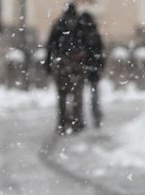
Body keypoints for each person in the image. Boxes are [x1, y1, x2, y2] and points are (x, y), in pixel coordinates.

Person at [45, 3, 87, 134]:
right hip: (77, 65)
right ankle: (76, 121)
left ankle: (62, 122)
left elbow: (50, 46)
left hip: (62, 64)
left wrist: (48, 64)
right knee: (77, 95)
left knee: (62, 95)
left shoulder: (59, 24)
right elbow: (87, 45)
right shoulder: (80, 25)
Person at [79, 11, 105, 128]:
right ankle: (96, 117)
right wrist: (99, 65)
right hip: (93, 68)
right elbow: (100, 51)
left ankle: (79, 119)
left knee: (79, 95)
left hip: (82, 67)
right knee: (94, 96)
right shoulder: (94, 33)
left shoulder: (79, 34)